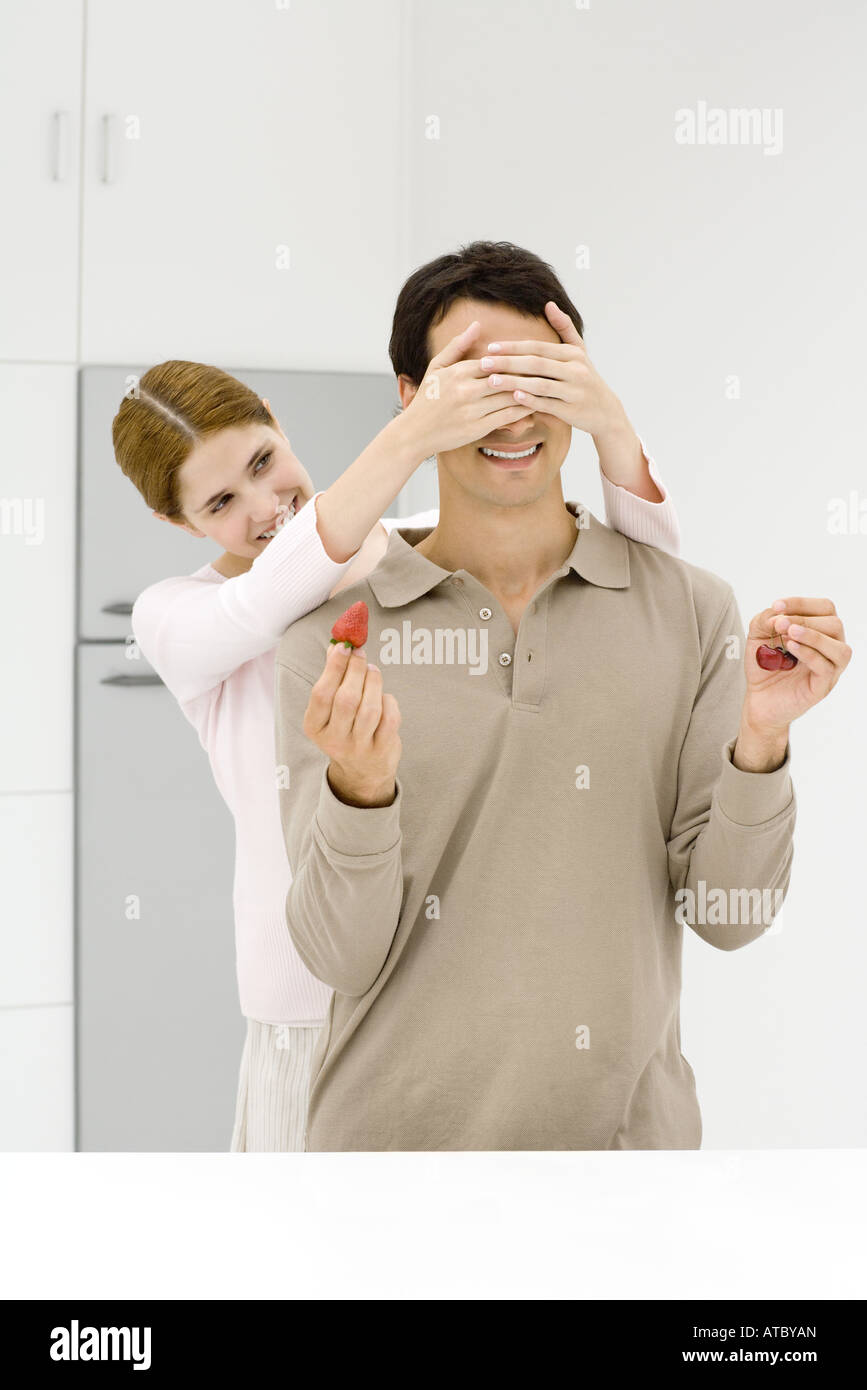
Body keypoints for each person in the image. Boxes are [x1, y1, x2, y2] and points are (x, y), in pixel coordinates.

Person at [273, 239, 852, 1151]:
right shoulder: (328, 638)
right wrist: (360, 791)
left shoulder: (689, 609)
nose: (512, 413)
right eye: (472, 379)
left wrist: (761, 746)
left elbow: (727, 921)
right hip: (389, 1172)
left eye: (537, 377)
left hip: (626, 1167)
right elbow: (337, 957)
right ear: (410, 398)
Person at [112, 291, 680, 1150]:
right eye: (220, 503)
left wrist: (608, 426)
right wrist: (412, 432)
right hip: (305, 1005)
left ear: (275, 419)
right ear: (173, 522)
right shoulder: (178, 617)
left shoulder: (406, 544)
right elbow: (271, 598)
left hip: (435, 995)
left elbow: (652, 588)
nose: (264, 508)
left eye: (264, 462)